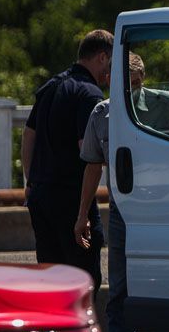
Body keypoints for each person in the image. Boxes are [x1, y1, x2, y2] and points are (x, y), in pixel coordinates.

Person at [75, 52, 169, 332]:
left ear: (144, 80)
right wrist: (82, 216)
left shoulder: (165, 104)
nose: (133, 92)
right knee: (121, 290)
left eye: (137, 84)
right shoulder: (102, 114)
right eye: (127, 86)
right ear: (111, 82)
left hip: (161, 209)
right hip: (123, 211)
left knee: (163, 286)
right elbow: (93, 165)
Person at [22, 30, 112, 288]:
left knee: (51, 282)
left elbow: (29, 136)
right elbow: (89, 150)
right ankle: (81, 329)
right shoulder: (90, 94)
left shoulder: (50, 87)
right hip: (71, 198)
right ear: (103, 57)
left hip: (40, 196)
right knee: (84, 281)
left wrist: (31, 182)